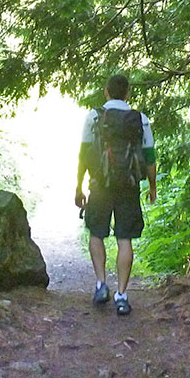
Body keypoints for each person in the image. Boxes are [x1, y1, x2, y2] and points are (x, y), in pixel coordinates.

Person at [75, 74, 157, 316]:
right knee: (124, 239)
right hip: (129, 185)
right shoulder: (139, 119)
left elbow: (83, 154)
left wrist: (78, 186)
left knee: (96, 233)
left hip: (100, 184)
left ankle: (101, 285)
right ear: (127, 93)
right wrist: (152, 186)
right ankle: (122, 294)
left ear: (106, 92)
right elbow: (149, 156)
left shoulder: (95, 116)